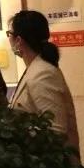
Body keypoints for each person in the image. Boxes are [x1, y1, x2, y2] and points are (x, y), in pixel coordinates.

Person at [7, 10, 80, 158]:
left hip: (49, 166)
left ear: (19, 40)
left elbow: (56, 130)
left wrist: (15, 133)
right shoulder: (36, 68)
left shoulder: (43, 74)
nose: (8, 39)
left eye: (9, 34)